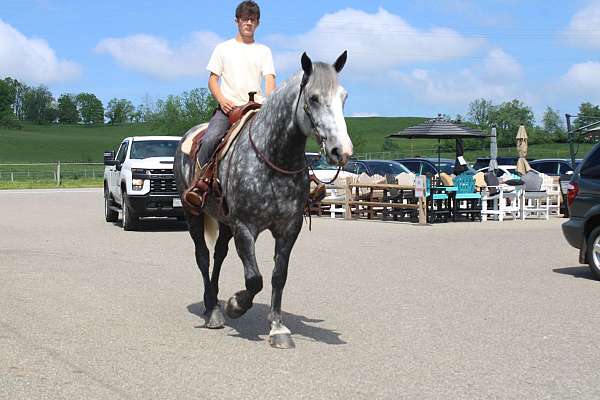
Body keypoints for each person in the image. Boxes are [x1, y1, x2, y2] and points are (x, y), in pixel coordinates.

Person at [186, 0, 276, 208]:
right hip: (229, 109)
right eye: (245, 19)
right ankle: (200, 185)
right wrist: (222, 100)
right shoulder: (223, 48)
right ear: (237, 21)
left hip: (256, 109)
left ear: (258, 23)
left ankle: (295, 186)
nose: (248, 23)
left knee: (281, 138)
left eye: (252, 20)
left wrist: (270, 103)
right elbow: (212, 80)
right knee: (211, 139)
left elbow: (269, 79)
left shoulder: (264, 51)